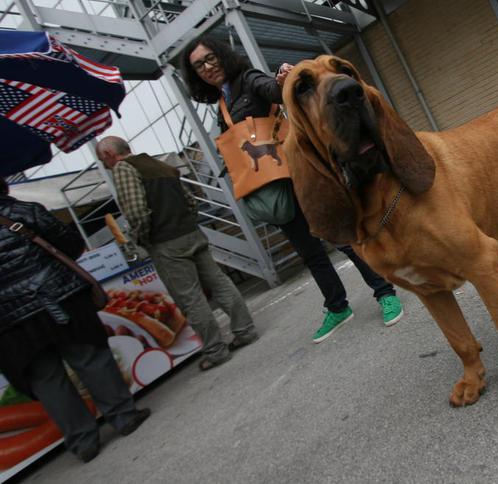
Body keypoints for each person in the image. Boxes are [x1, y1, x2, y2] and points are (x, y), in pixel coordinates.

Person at [178, 37, 403, 343]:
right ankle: (337, 306)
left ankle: (385, 292)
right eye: (199, 66)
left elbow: (274, 91)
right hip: (273, 188)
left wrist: (285, 79)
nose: (207, 67)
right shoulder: (222, 104)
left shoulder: (248, 79)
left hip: (298, 175)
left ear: (222, 56)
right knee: (310, 253)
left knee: (342, 238)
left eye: (210, 58)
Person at [0, 177, 150, 463]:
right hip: (59, 297)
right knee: (89, 356)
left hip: (11, 322)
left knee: (46, 380)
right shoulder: (25, 211)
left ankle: (83, 442)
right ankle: (123, 416)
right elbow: (71, 245)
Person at [96, 136, 258, 370]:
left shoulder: (123, 169)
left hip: (165, 242)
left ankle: (215, 351)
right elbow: (190, 201)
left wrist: (142, 239)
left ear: (109, 154)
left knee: (191, 298)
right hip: (192, 233)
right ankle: (245, 331)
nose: (106, 166)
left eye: (103, 161)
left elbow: (137, 212)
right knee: (220, 283)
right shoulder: (159, 164)